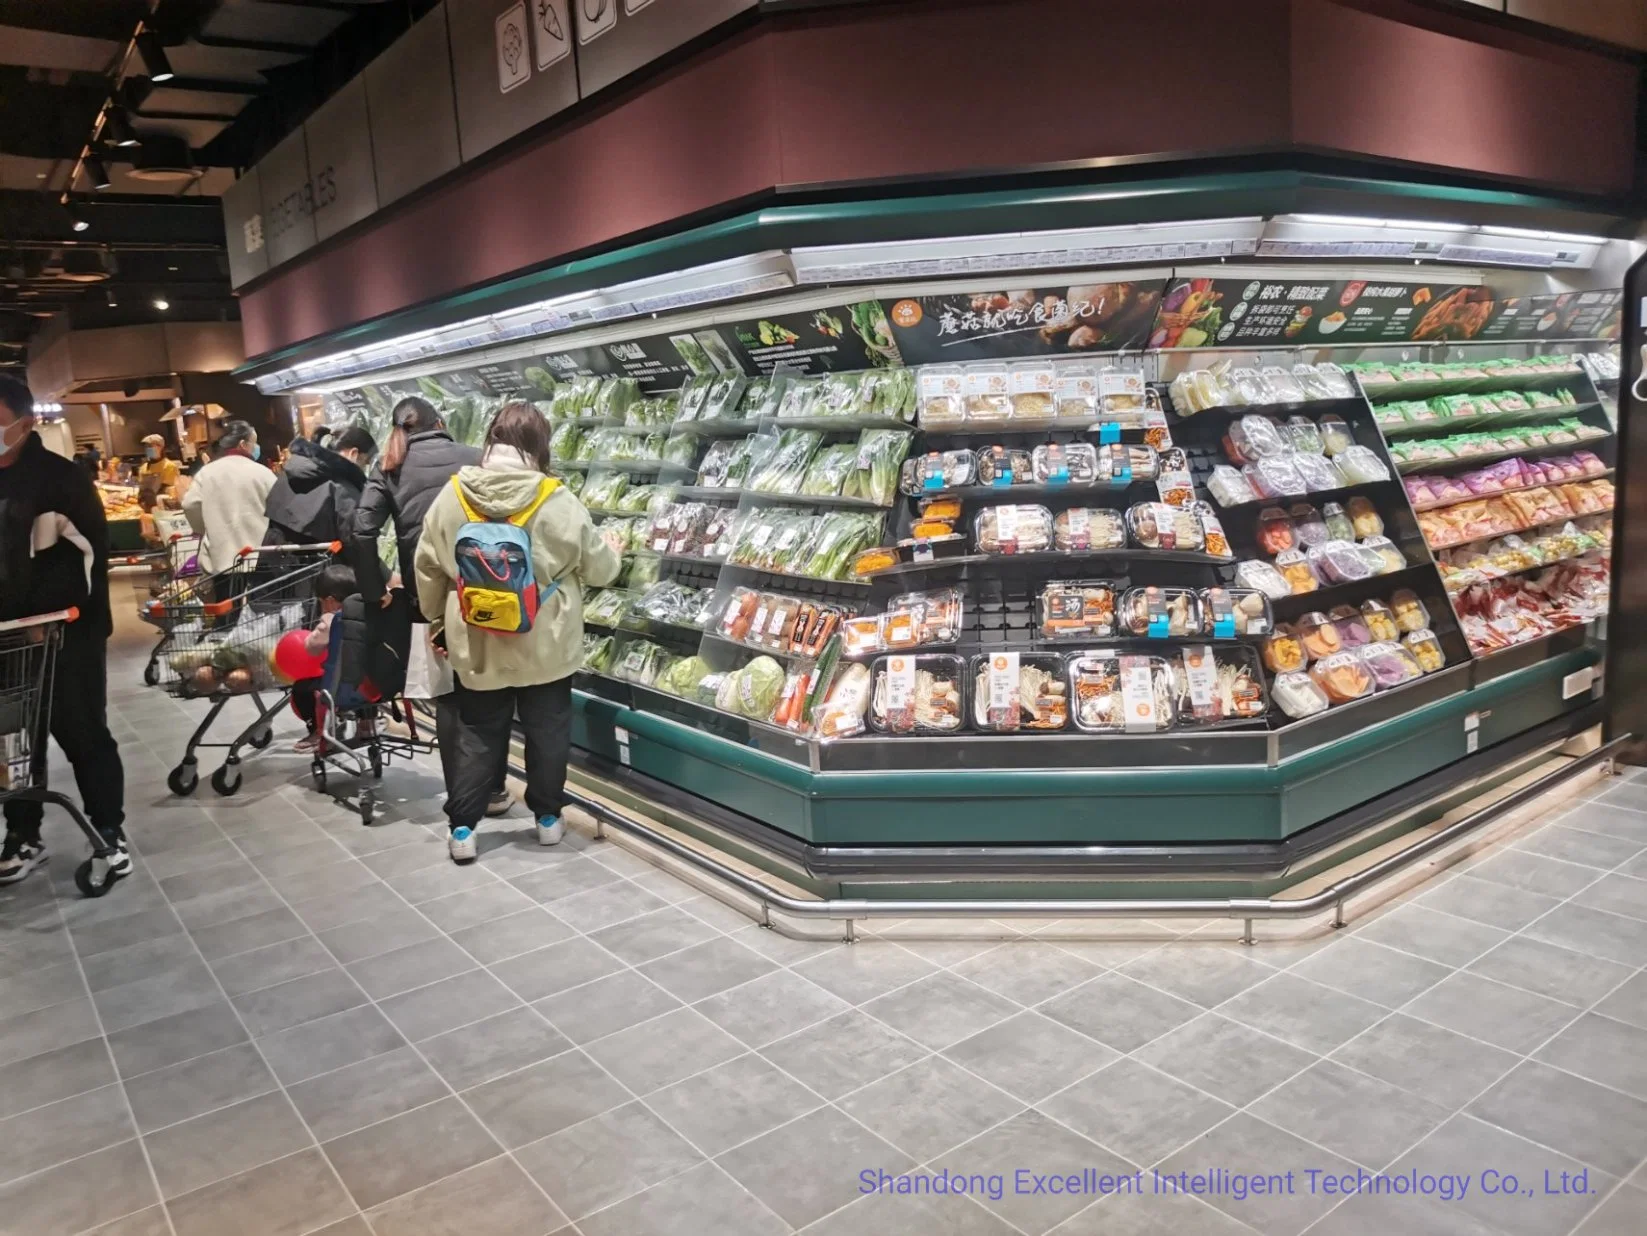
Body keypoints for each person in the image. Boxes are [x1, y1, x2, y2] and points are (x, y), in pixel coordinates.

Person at [415, 401, 619, 863]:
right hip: (546, 641)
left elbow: (427, 566)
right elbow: (601, 570)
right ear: (539, 446)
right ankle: (547, 819)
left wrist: (435, 620)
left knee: (477, 731)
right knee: (548, 732)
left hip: (477, 638)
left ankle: (464, 828)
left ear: (490, 441)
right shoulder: (557, 499)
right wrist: (614, 551)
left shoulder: (453, 497)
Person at [348, 398, 509, 817]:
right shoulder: (475, 458)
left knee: (449, 694)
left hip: (428, 597)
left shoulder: (388, 468)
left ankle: (461, 795)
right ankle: (494, 788)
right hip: (486, 588)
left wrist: (375, 589)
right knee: (490, 686)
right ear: (440, 423)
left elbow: (361, 532)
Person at [0, 374, 129, 886]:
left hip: (63, 635)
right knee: (14, 742)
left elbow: (87, 559)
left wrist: (42, 619)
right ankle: (23, 833)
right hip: (7, 639)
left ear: (24, 423)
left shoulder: (60, 480)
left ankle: (108, 831)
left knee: (83, 733)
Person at [181, 420, 275, 575]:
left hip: (221, 560)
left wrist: (207, 527)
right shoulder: (264, 473)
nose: (256, 448)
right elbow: (278, 507)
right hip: (259, 559)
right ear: (243, 444)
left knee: (225, 599)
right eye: (254, 443)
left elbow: (189, 504)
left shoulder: (208, 472)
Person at [263, 425, 377, 546]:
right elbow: (355, 544)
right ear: (353, 454)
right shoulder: (343, 490)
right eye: (365, 462)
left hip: (275, 559)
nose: (364, 469)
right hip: (324, 563)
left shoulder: (288, 473)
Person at [288, 561, 356, 754]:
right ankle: (366, 725)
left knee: (301, 689)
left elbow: (312, 648)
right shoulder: (364, 613)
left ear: (331, 601)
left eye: (321, 601)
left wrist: (308, 639)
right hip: (362, 679)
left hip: (336, 682)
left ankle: (317, 732)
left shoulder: (329, 621)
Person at [136, 433, 180, 511]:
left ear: (161, 447)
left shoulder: (169, 466)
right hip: (146, 508)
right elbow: (141, 489)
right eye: (146, 447)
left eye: (151, 446)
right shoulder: (143, 468)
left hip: (164, 508)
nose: (148, 449)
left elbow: (168, 490)